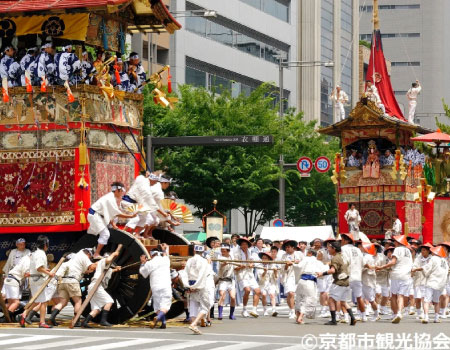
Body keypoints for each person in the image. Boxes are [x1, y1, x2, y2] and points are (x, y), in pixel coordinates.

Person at [87, 182, 136, 259]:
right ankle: (96, 254)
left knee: (112, 223)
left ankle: (103, 244)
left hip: (99, 216)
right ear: (117, 190)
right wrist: (131, 216)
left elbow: (110, 213)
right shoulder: (110, 199)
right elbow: (116, 213)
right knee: (105, 234)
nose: (122, 194)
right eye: (121, 192)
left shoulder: (111, 197)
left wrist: (113, 225)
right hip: (95, 216)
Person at [50, 248, 95, 327]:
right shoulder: (83, 256)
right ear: (88, 254)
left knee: (62, 302)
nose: (90, 258)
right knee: (78, 301)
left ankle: (52, 317)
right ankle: (76, 320)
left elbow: (82, 270)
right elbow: (91, 267)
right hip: (72, 281)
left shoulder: (74, 257)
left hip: (63, 281)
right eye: (90, 257)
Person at [316, 241, 356, 326]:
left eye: (329, 248)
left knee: (331, 300)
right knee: (343, 301)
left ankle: (333, 320)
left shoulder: (335, 258)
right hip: (346, 281)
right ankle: (352, 318)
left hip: (339, 281)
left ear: (334, 249)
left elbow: (332, 270)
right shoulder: (343, 256)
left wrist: (321, 273)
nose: (328, 249)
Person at [376, 235, 413, 324]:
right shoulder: (408, 251)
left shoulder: (397, 249)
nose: (394, 243)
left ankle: (394, 314)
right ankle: (399, 313)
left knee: (393, 296)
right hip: (406, 276)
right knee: (401, 296)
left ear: (398, 242)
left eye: (395, 241)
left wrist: (381, 267)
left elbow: (393, 262)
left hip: (397, 274)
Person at [19, 235, 54, 328]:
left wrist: (47, 271)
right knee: (44, 301)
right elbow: (39, 268)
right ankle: (42, 322)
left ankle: (24, 314)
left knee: (36, 301)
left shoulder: (36, 253)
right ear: (46, 244)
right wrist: (49, 273)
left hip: (36, 279)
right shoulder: (40, 254)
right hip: (38, 280)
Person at [412, 245, 448, 323]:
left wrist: (416, 269)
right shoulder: (445, 261)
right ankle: (436, 318)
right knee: (436, 301)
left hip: (432, 282)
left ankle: (426, 317)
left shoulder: (433, 258)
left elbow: (426, 268)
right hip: (440, 284)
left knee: (426, 300)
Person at [139, 244, 172, 329]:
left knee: (158, 306)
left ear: (151, 255)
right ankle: (159, 318)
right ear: (158, 253)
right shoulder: (165, 260)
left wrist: (143, 263)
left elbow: (143, 273)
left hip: (155, 286)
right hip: (166, 285)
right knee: (165, 305)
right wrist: (164, 249)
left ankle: (163, 322)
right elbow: (165, 255)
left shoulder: (149, 263)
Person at [122, 173, 159, 238]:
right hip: (128, 203)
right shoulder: (146, 189)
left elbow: (140, 177)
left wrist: (146, 176)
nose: (155, 184)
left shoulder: (141, 178)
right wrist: (157, 209)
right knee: (136, 218)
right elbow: (149, 199)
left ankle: (136, 233)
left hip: (135, 204)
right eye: (155, 182)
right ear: (152, 180)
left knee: (145, 217)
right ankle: (123, 233)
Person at [185, 245, 212, 335]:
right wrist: (196, 286)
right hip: (200, 285)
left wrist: (188, 286)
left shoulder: (189, 260)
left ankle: (194, 324)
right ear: (203, 251)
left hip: (191, 283)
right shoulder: (203, 261)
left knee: (193, 305)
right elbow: (202, 275)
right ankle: (194, 323)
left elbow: (185, 273)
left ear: (194, 250)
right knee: (205, 305)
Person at [341, 233, 366, 322]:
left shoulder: (343, 249)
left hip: (347, 276)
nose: (341, 241)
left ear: (346, 240)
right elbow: (363, 263)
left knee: (343, 298)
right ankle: (363, 316)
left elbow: (344, 262)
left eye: (342, 240)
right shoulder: (358, 250)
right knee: (359, 297)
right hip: (357, 276)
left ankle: (346, 316)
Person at [293, 250, 323, 324]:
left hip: (301, 281)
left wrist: (293, 264)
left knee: (299, 298)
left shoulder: (305, 259)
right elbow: (323, 272)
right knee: (308, 299)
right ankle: (300, 317)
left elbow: (299, 267)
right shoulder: (318, 262)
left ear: (310, 253)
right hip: (310, 282)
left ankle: (297, 317)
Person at [234, 237, 261, 318]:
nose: (244, 246)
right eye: (243, 244)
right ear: (240, 245)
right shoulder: (236, 253)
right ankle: (244, 309)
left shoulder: (249, 252)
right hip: (241, 275)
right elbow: (234, 267)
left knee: (258, 291)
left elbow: (253, 262)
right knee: (247, 290)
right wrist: (240, 266)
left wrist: (252, 264)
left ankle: (254, 309)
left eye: (246, 244)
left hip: (249, 274)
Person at [3, 250, 31, 321]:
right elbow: (26, 274)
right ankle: (6, 318)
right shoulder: (28, 261)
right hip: (13, 280)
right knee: (16, 302)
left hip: (8, 279)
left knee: (10, 303)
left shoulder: (23, 259)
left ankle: (6, 317)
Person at [282, 240, 304, 319]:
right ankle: (292, 311)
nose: (287, 249)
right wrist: (287, 265)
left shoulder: (299, 254)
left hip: (298, 275)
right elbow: (283, 269)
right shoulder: (284, 256)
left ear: (293, 248)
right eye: (286, 247)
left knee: (298, 295)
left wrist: (295, 262)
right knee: (290, 293)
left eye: (288, 247)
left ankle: (297, 309)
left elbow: (304, 263)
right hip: (289, 276)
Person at [217, 243, 237, 320]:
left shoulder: (231, 256)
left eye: (224, 251)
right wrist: (224, 264)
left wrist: (242, 265)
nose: (222, 252)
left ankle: (231, 314)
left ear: (228, 251)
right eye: (222, 250)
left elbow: (235, 263)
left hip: (231, 280)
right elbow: (221, 264)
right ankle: (220, 314)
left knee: (233, 297)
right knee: (222, 296)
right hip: (223, 280)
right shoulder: (220, 257)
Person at [360, 243, 380, 321]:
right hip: (363, 279)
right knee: (361, 298)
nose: (361, 248)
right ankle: (362, 315)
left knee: (370, 299)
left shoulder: (367, 256)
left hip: (367, 280)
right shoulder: (367, 256)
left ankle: (376, 313)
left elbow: (364, 265)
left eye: (362, 247)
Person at [257, 252, 279, 317]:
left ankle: (274, 310)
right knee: (264, 295)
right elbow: (260, 277)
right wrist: (265, 271)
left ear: (269, 259)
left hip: (271, 282)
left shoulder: (272, 265)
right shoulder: (259, 266)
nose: (264, 259)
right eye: (263, 258)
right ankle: (265, 310)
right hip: (263, 283)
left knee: (272, 295)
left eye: (266, 258)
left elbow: (276, 277)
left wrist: (275, 271)